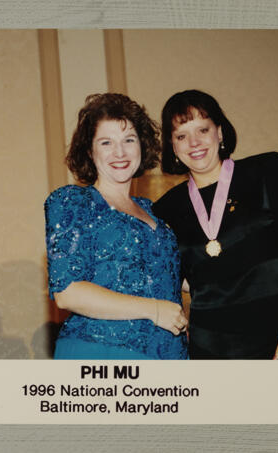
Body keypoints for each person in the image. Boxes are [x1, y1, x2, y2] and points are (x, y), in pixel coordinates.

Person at [152, 89, 278, 360]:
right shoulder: (165, 208)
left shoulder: (266, 170)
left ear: (219, 132)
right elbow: (181, 283)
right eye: (182, 136)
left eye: (202, 130)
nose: (193, 142)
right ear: (172, 146)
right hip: (211, 352)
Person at [44, 93, 188, 359]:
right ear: (90, 150)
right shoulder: (71, 202)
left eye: (129, 140)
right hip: (101, 355)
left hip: (169, 359)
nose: (119, 152)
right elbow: (68, 292)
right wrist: (154, 310)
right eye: (106, 142)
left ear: (142, 145)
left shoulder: (156, 212)